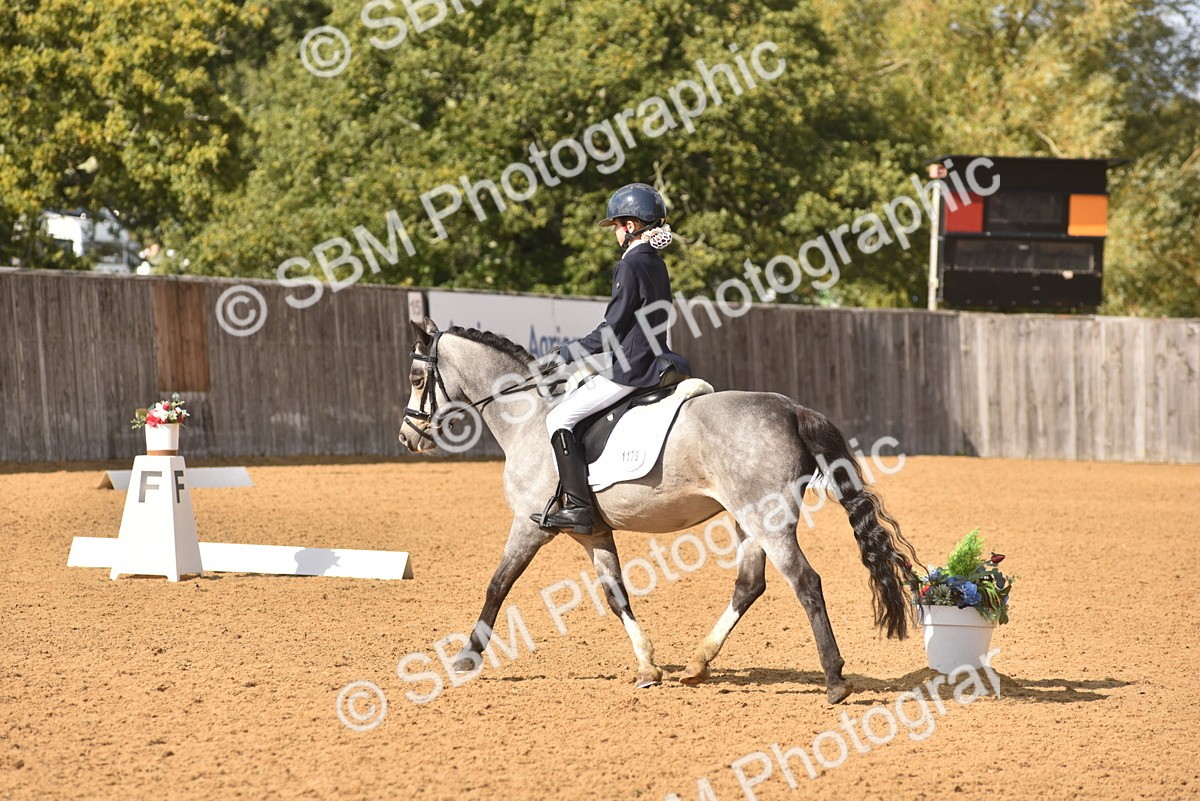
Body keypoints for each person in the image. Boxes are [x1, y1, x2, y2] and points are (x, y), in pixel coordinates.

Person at [531, 183, 691, 534]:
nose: (615, 232)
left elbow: (613, 328)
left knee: (559, 417)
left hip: (633, 368)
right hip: (659, 357)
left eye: (617, 224)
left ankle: (578, 507)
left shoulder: (630, 265)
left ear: (631, 226)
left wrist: (568, 352)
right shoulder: (657, 264)